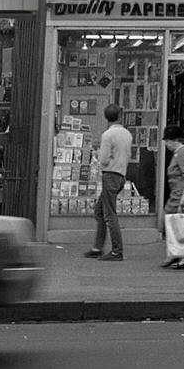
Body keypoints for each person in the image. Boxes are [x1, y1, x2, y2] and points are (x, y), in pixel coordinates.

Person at [84, 104, 132, 262]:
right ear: (120, 116)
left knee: (109, 214)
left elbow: (103, 160)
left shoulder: (107, 135)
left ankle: (117, 250)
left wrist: (98, 154)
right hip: (121, 175)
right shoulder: (127, 134)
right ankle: (97, 247)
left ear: (106, 117)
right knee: (100, 210)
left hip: (110, 175)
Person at [160, 123, 184, 271]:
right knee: (171, 221)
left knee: (182, 225)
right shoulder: (178, 153)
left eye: (168, 141)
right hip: (177, 192)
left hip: (183, 193)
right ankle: (176, 253)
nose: (166, 144)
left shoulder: (183, 153)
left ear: (175, 140)